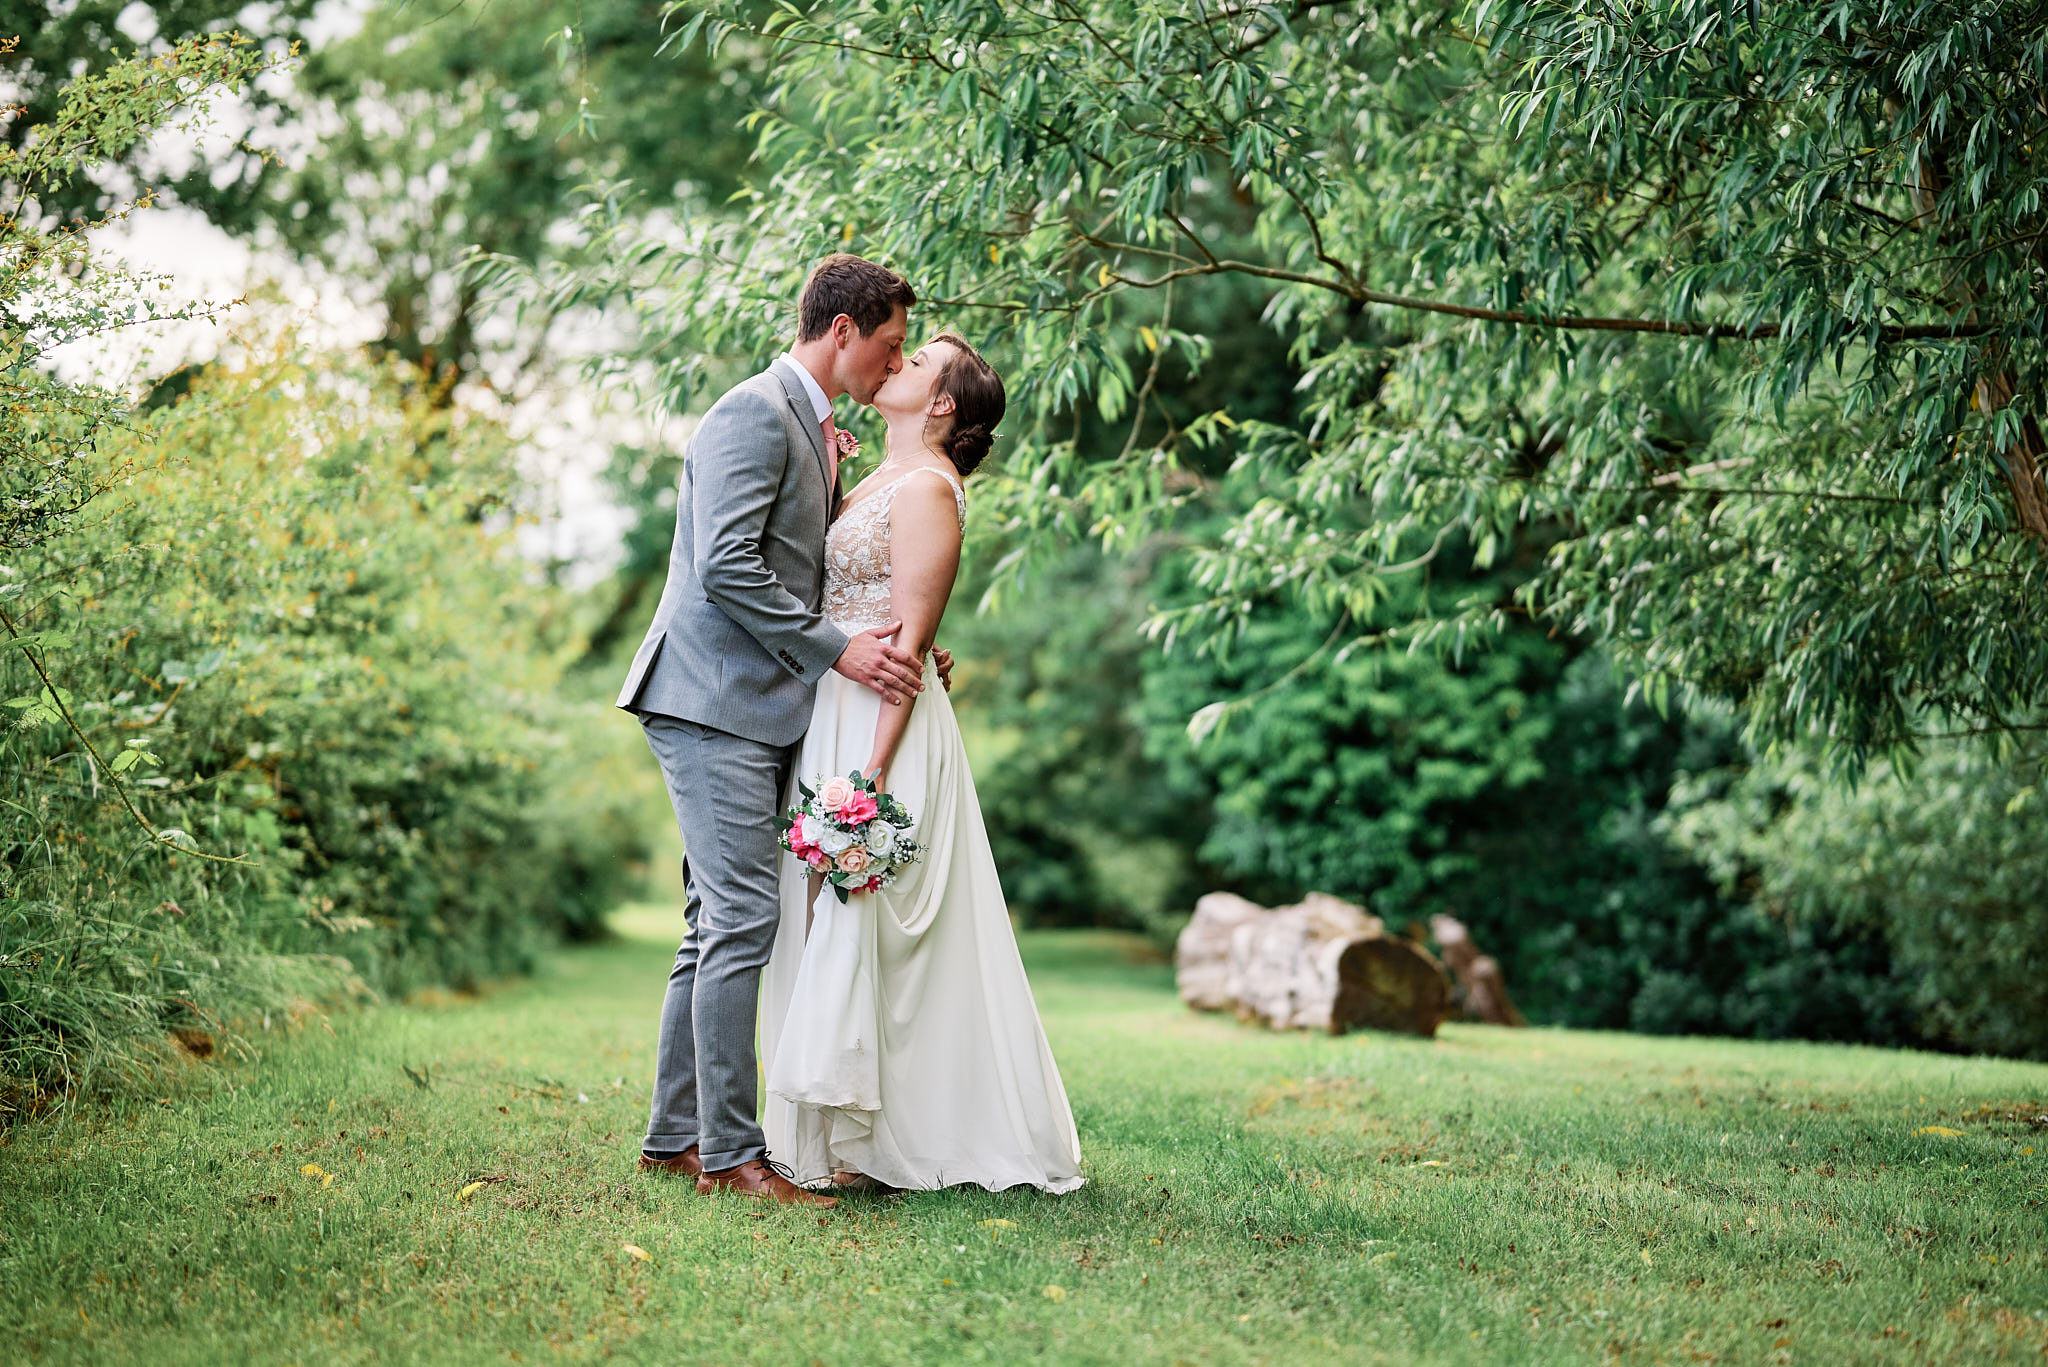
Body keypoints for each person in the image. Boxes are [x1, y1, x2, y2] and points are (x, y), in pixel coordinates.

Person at [618, 255, 952, 1209]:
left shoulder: (810, 426)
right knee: (741, 920)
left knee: (709, 926)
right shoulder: (751, 411)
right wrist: (838, 650)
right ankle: (731, 1154)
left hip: (755, 706)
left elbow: (805, 565)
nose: (892, 365)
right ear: (841, 330)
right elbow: (724, 565)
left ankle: (675, 1138)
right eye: (888, 344)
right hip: (707, 699)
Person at [760, 332, 1085, 1196]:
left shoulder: (932, 490)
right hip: (835, 708)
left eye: (915, 362)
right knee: (830, 917)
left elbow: (909, 645)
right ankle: (832, 1133)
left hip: (880, 730)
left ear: (942, 403)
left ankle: (879, 1140)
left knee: (878, 917)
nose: (894, 364)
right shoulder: (872, 476)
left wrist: (865, 785)